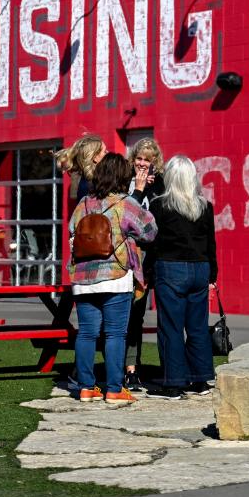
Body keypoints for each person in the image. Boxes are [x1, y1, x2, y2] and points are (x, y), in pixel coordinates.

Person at [67, 153, 157, 403]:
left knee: (86, 333)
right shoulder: (126, 203)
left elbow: (72, 231)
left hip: (84, 277)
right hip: (116, 276)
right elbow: (150, 232)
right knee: (116, 334)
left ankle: (86, 387)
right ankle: (114, 388)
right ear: (122, 177)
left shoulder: (84, 203)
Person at [146, 154, 217, 399]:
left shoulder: (159, 205)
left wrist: (148, 270)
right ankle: (201, 379)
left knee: (171, 327)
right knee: (197, 327)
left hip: (171, 268)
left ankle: (174, 383)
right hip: (200, 268)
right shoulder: (205, 206)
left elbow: (153, 243)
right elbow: (211, 242)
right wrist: (213, 273)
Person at [123, 137, 166, 392]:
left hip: (149, 257)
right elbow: (128, 218)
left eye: (147, 160)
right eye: (139, 158)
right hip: (128, 256)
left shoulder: (159, 185)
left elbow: (159, 220)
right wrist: (138, 189)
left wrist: (150, 189)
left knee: (139, 313)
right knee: (126, 315)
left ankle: (135, 369)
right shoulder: (124, 183)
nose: (142, 164)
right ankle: (127, 367)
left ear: (154, 163)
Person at [56, 134, 106, 201]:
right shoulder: (93, 186)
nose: (108, 153)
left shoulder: (90, 182)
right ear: (95, 157)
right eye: (105, 151)